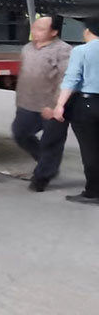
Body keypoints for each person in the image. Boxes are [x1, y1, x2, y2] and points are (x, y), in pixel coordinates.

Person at [12, 15, 72, 192]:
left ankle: (42, 177)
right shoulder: (27, 48)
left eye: (40, 29)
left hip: (52, 107)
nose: (34, 32)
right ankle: (47, 163)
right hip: (27, 103)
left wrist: (55, 105)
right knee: (20, 133)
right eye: (34, 27)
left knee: (51, 142)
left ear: (54, 32)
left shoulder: (63, 50)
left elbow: (66, 80)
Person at [50, 17, 99, 205]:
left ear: (88, 31)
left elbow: (72, 79)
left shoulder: (81, 51)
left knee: (90, 149)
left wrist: (60, 105)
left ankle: (93, 192)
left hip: (88, 103)